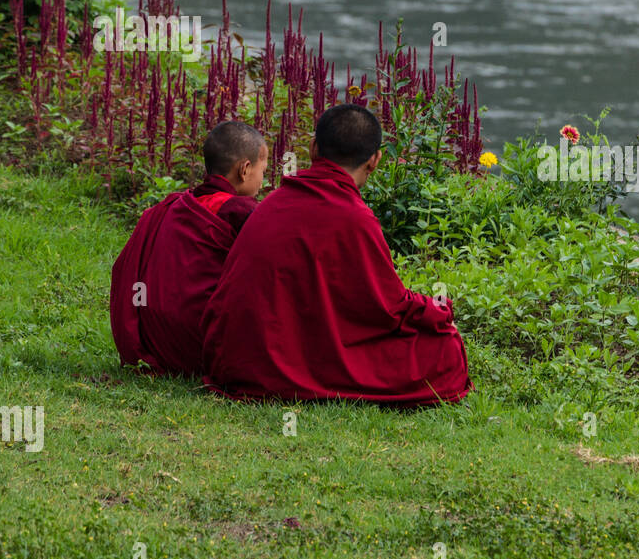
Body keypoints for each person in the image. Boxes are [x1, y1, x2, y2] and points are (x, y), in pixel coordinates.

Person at [201, 103, 471, 405]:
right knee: (446, 349)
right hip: (287, 362)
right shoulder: (356, 218)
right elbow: (389, 308)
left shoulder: (272, 203)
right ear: (374, 160)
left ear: (314, 148)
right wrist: (439, 310)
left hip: (235, 361)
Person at [109, 120, 267, 376]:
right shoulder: (239, 210)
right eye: (263, 171)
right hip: (202, 346)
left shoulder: (173, 206)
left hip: (158, 343)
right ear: (245, 169)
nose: (263, 181)